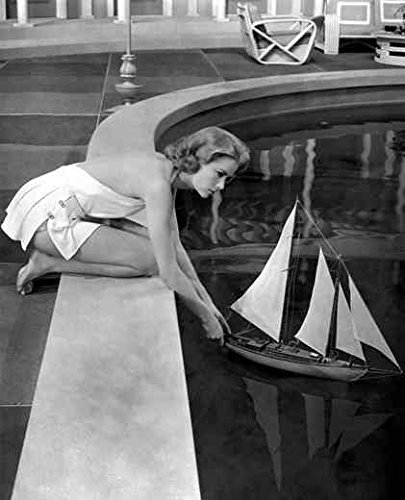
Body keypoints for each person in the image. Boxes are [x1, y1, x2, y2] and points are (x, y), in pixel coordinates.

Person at [1, 126, 250, 342]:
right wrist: (206, 320)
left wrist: (208, 303)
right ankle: (50, 262)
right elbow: (168, 272)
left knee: (154, 248)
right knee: (152, 261)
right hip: (45, 219)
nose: (220, 186)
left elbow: (175, 245)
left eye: (227, 179)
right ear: (195, 161)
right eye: (219, 174)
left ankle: (49, 259)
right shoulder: (157, 186)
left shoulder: (166, 171)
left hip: (50, 201)